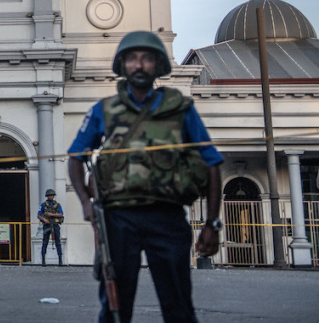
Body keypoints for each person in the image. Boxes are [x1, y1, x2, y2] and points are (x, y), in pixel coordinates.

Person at [68, 31, 223, 323]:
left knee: (178, 306)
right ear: (123, 65)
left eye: (147, 58)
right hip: (118, 219)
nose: (139, 65)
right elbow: (76, 157)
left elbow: (212, 163)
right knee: (115, 307)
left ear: (158, 65)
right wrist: (87, 204)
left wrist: (212, 224)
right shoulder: (104, 111)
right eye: (132, 58)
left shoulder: (181, 109)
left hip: (167, 217)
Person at [37, 188, 64, 266]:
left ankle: (60, 260)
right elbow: (38, 215)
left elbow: (61, 214)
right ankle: (43, 261)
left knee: (58, 242)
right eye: (49, 196)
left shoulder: (58, 205)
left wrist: (51, 215)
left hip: (55, 225)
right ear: (47, 196)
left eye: (52, 195)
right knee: (45, 242)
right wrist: (44, 219)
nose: (51, 197)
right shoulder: (43, 205)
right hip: (47, 225)